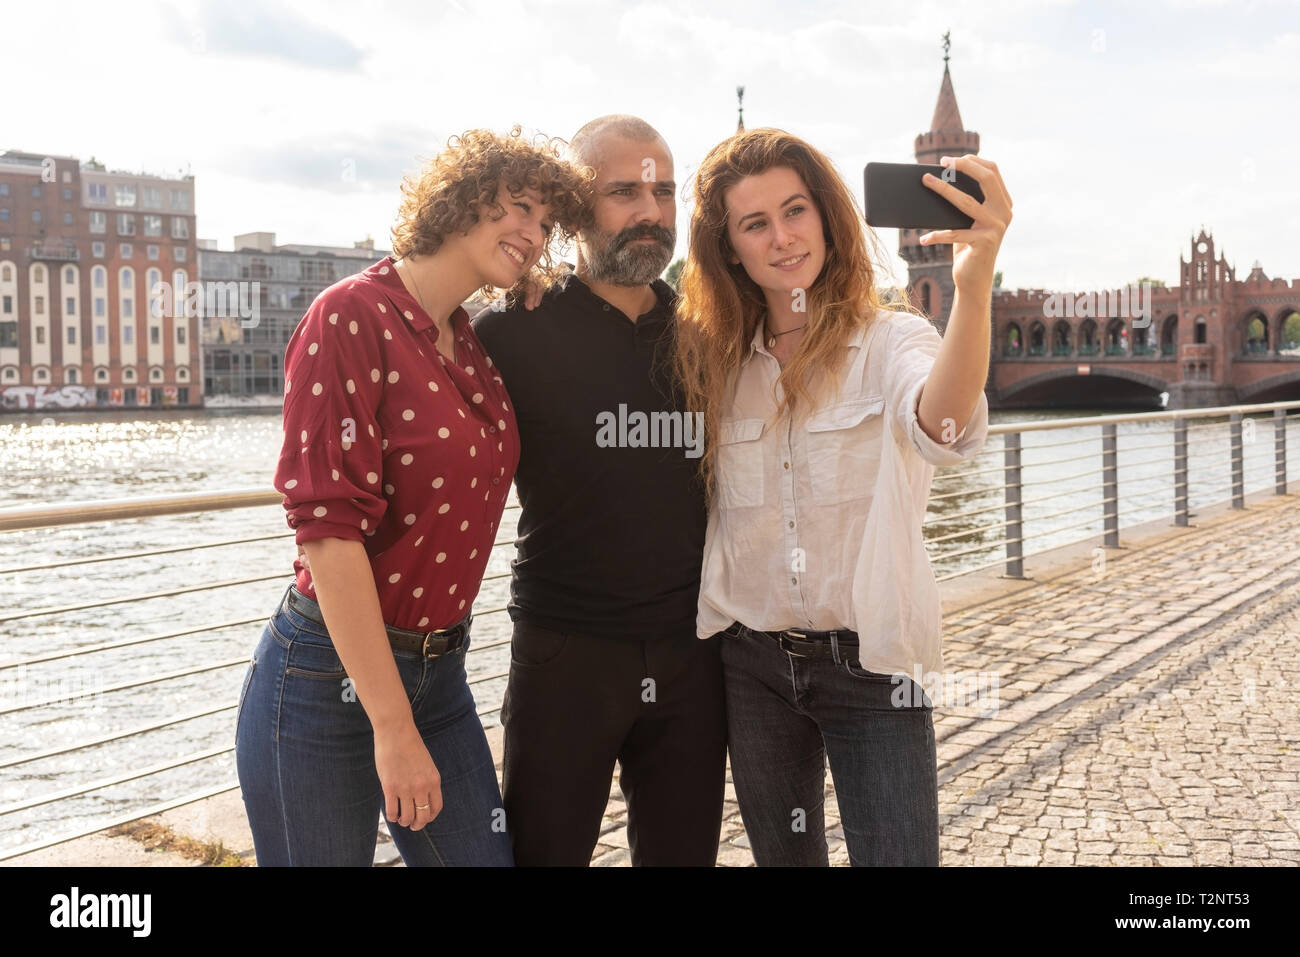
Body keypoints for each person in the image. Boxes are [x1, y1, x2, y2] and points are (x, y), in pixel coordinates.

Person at [234, 127, 589, 866]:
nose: (533, 232)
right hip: (325, 678)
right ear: (461, 198)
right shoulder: (350, 316)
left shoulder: (470, 343)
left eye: (547, 225)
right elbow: (327, 534)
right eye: (519, 206)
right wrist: (392, 729)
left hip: (440, 672)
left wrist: (538, 292)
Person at [673, 129, 1012, 866]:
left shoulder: (890, 339)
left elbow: (944, 428)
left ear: (827, 217)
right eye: (754, 223)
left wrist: (974, 281)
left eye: (796, 210)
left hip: (872, 666)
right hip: (751, 665)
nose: (783, 236)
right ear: (730, 248)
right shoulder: (716, 358)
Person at [471, 115, 727, 866]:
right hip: (565, 656)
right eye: (624, 191)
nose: (651, 211)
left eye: (664, 191)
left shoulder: (704, 336)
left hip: (691, 657)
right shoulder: (512, 334)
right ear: (576, 209)